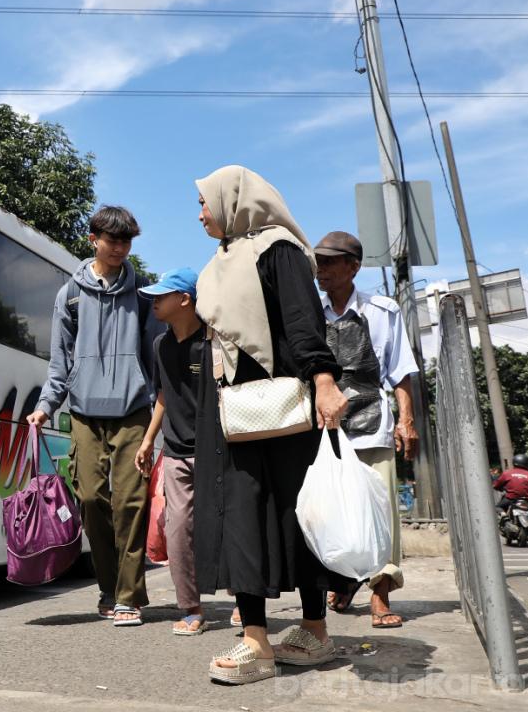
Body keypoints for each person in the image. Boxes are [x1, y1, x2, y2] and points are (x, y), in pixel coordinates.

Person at [191, 166, 348, 686]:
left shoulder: (278, 249)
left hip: (283, 408)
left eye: (204, 202)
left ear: (232, 200)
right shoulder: (221, 261)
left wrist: (324, 381)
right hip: (231, 410)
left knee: (295, 514)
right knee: (240, 517)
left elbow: (304, 322)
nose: (200, 213)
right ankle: (256, 640)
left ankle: (314, 630)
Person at [27, 205, 163, 627]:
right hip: (84, 412)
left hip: (133, 411)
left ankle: (128, 597)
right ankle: (107, 588)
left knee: (131, 503)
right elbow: (60, 361)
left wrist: (161, 411)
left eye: (126, 241)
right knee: (90, 500)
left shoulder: (141, 293)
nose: (120, 248)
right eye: (113, 240)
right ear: (94, 240)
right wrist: (46, 405)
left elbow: (154, 357)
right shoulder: (69, 294)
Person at [315, 230, 420, 629]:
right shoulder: (311, 310)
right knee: (331, 509)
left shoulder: (382, 309)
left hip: (372, 419)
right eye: (318, 261)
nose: (320, 269)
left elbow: (399, 370)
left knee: (380, 509)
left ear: (353, 266)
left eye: (329, 262)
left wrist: (406, 420)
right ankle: (344, 581)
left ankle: (380, 592)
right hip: (325, 424)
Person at [134, 267, 212, 636]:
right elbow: (163, 394)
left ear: (184, 299)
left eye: (161, 295)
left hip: (218, 450)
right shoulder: (160, 345)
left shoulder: (214, 341)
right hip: (176, 450)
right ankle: (191, 607)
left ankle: (245, 603)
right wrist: (150, 440)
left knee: (227, 527)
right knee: (178, 528)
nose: (153, 301)